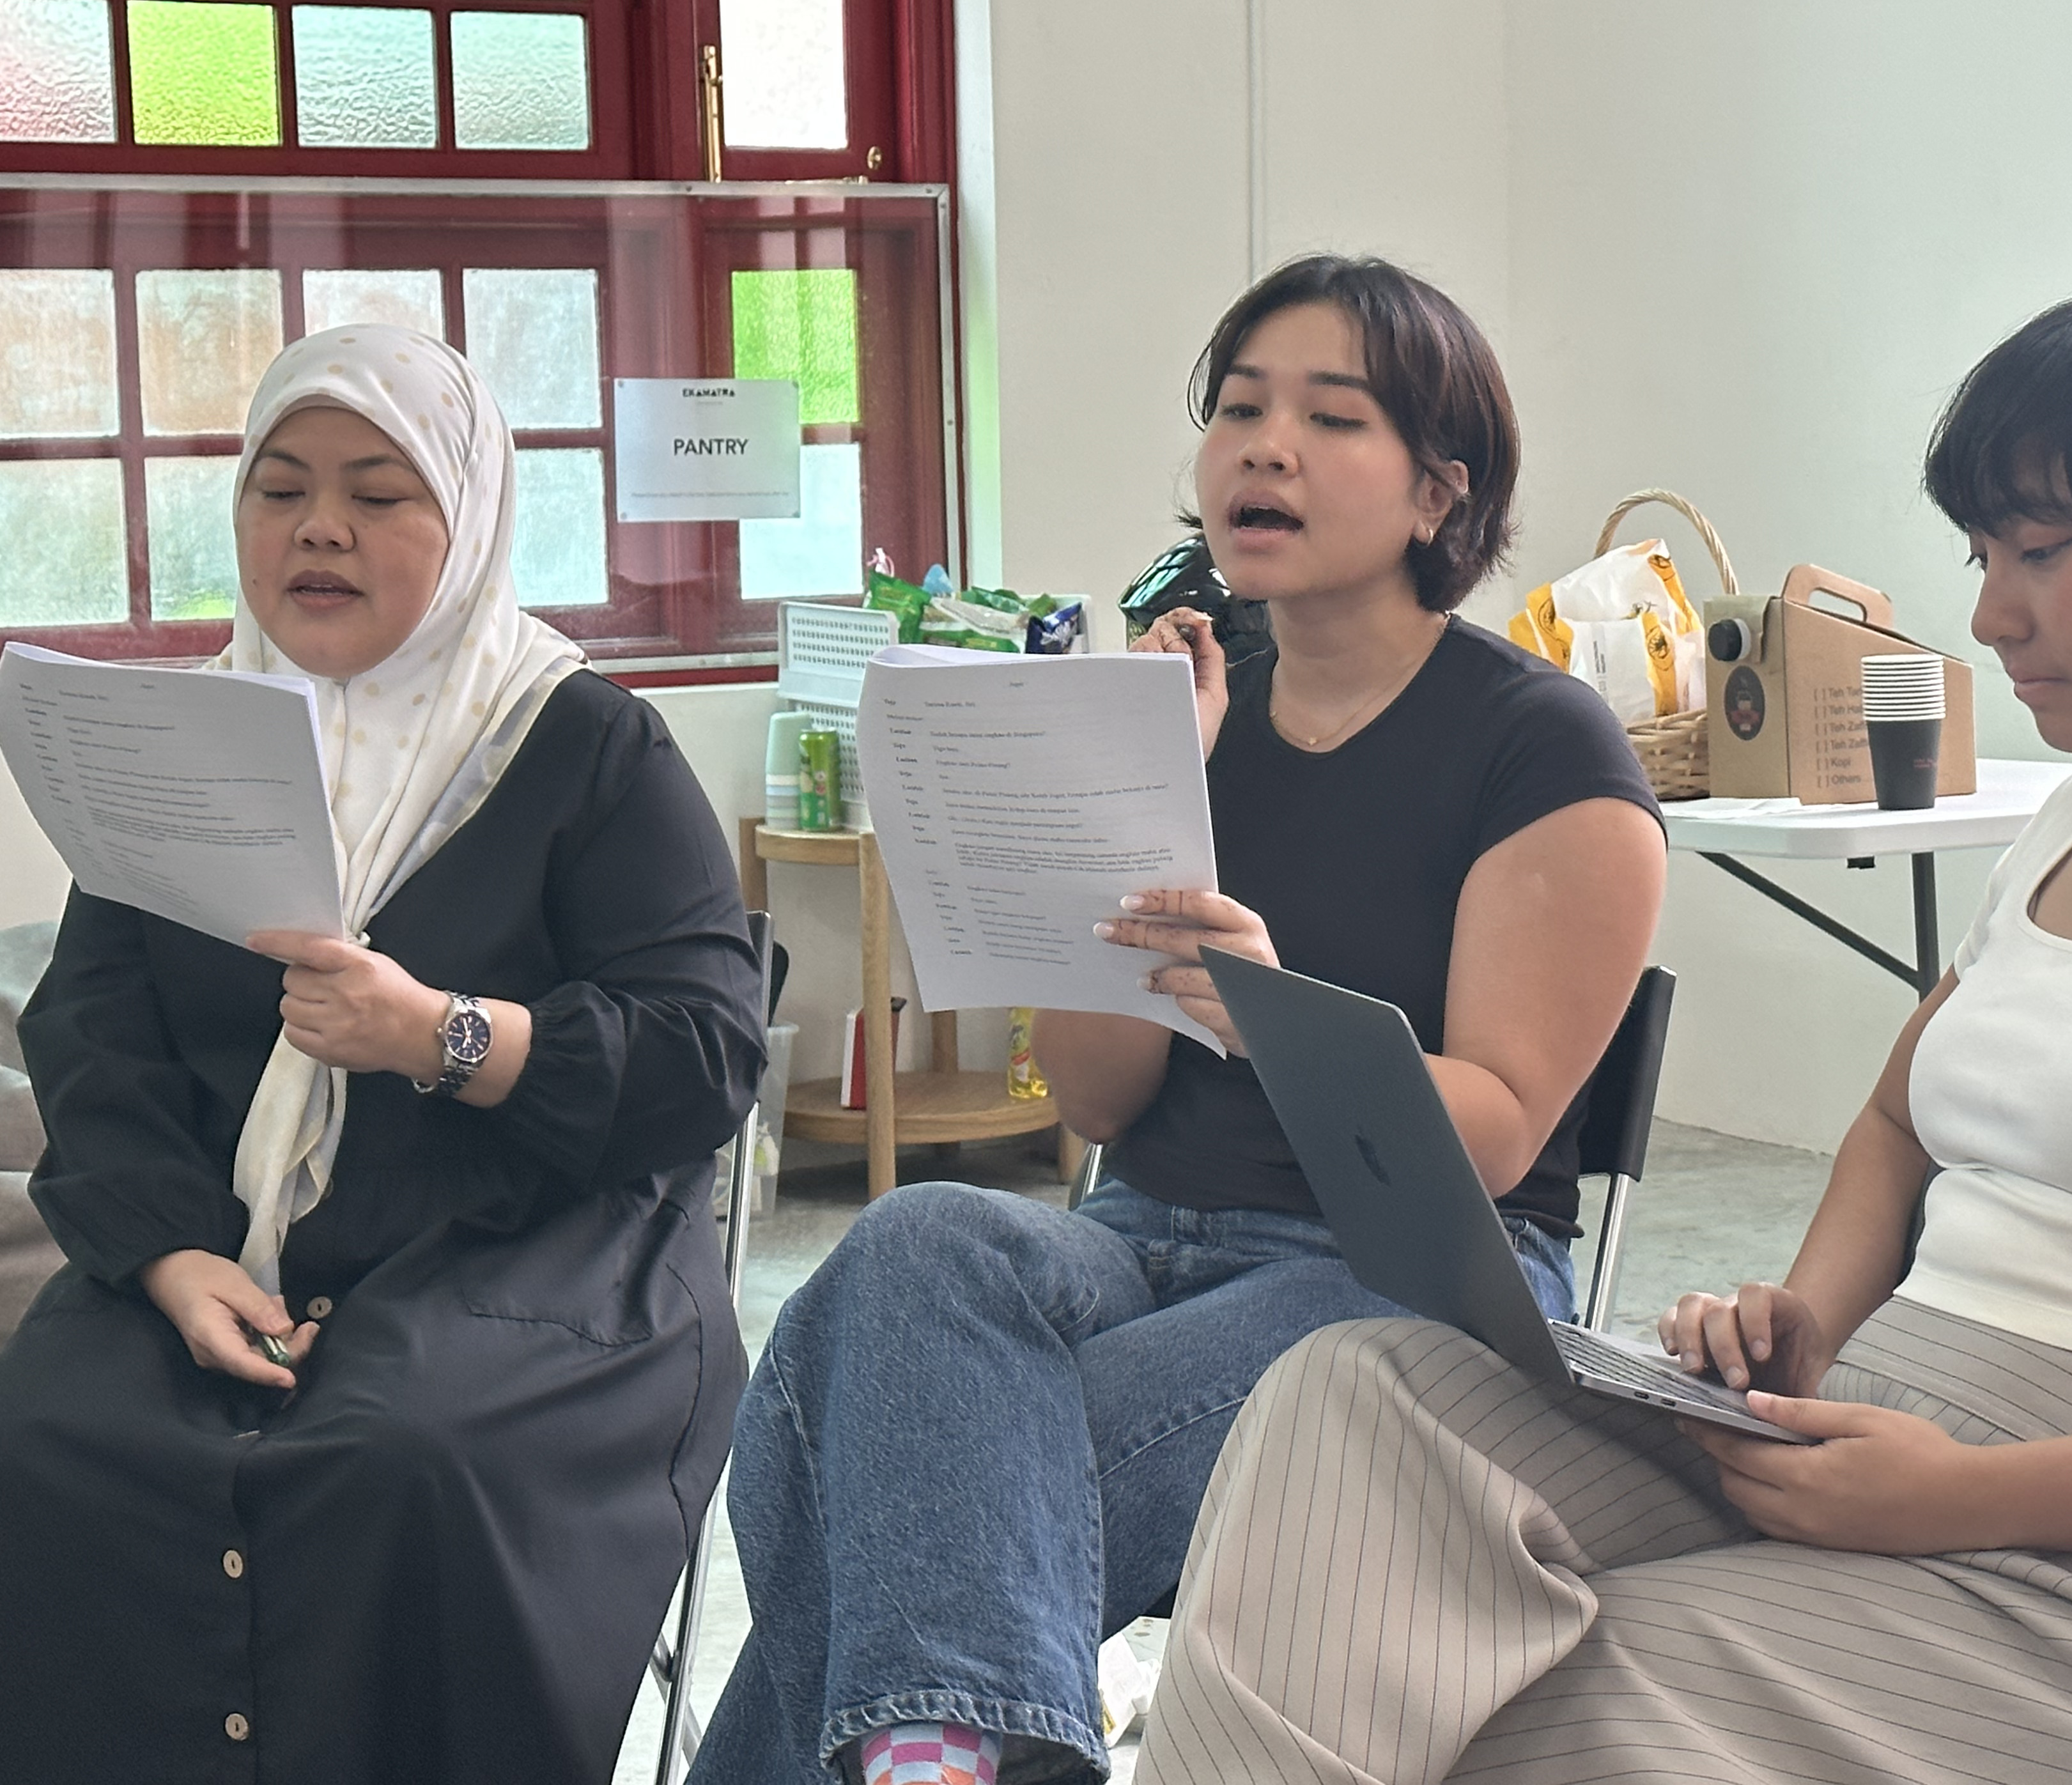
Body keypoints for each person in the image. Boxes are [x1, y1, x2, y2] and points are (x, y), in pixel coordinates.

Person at [1133, 272, 2072, 1785]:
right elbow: (1901, 1119)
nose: (1988, 612)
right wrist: (1810, 1314)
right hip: (1892, 1423)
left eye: (2042, 551)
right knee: (1356, 1404)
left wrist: (1967, 1496)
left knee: (1516, 1713)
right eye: (1982, 552)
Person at [693, 255, 1669, 1785]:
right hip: (1142, 1235)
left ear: (1439, 494)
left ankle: (944, 1747)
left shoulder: (1545, 750)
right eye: (1237, 409)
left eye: (1330, 418)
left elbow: (1491, 1143)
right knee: (914, 1246)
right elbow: (1095, 1104)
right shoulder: (1182, 715)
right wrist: (1121, 831)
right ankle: (960, 1749)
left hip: (1408, 1288)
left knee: (896, 1486)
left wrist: (1281, 1015)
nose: (1263, 446)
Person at [0, 325, 768, 1783]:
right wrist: (170, 1256)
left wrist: (442, 1037)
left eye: (380, 491)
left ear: (471, 519)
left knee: (405, 1457)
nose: (321, 529)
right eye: (279, 490)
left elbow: (704, 1054)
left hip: (529, 1248)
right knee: (52, 1433)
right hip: (223, 1237)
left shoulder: (584, 747)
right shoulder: (188, 734)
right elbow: (93, 1032)